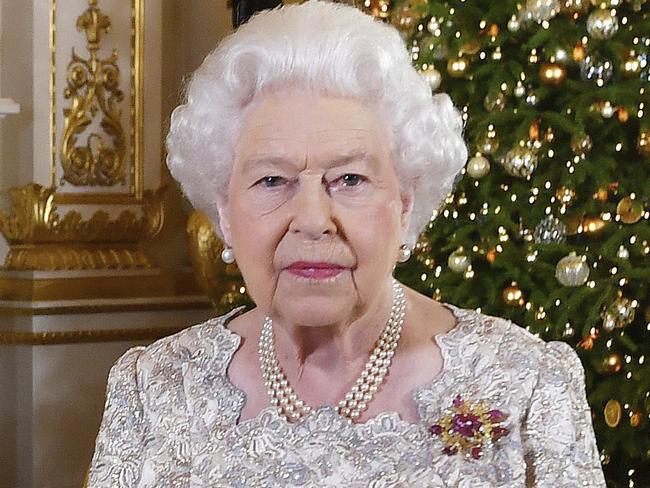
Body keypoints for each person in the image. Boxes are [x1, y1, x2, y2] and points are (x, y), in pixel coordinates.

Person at [87, 1, 607, 486]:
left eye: (350, 180)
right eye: (273, 181)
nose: (313, 220)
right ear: (224, 210)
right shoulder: (152, 389)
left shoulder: (529, 384)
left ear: (404, 204)